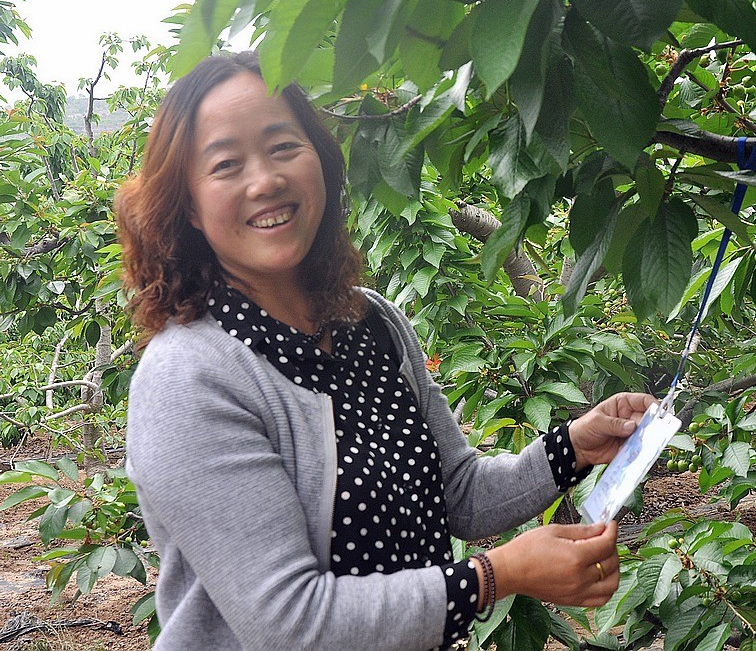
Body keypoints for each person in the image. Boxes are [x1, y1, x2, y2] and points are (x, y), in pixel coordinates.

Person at [115, 51, 656, 651]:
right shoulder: (189, 378)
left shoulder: (371, 322)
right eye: (225, 164)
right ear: (188, 205)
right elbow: (287, 623)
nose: (265, 180)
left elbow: (458, 492)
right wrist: (494, 577)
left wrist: (570, 448)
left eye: (283, 146)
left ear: (321, 160)